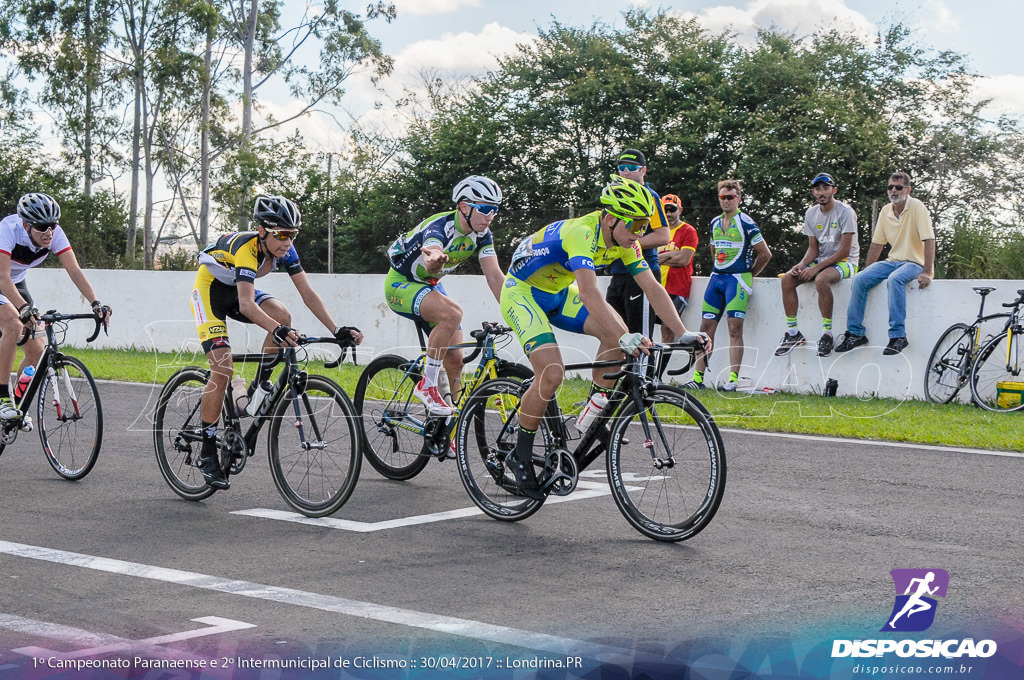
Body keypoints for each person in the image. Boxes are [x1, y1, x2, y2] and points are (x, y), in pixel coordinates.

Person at [500, 175, 709, 499]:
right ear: (611, 219)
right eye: (636, 225)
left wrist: (682, 333)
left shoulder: (626, 242)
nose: (640, 233)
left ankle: (594, 405)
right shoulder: (582, 233)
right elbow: (587, 293)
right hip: (523, 292)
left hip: (555, 291)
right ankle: (520, 454)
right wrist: (623, 336)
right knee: (552, 373)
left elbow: (652, 286)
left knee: (620, 334)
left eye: (644, 225)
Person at [191, 195, 363, 489]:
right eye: (281, 234)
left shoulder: (285, 250)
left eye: (292, 235)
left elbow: (307, 293)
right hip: (210, 293)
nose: (287, 241)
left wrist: (336, 329)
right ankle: (207, 450)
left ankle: (258, 390)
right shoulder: (246, 250)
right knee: (222, 368)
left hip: (236, 290)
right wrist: (278, 330)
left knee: (283, 314)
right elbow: (246, 305)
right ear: (262, 231)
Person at [385, 175, 506, 417]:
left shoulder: (483, 234)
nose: (490, 216)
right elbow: (432, 255)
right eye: (484, 209)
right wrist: (434, 260)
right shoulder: (440, 226)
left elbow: (494, 276)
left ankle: (451, 425)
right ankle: (427, 385)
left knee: (455, 358)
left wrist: (517, 311)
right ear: (464, 207)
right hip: (401, 284)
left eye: (494, 209)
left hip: (429, 285)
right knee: (453, 313)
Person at [0, 193, 112, 420]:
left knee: (37, 349)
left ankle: (16, 406)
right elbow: (3, 278)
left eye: (52, 225)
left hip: (17, 282)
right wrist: (23, 308)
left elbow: (74, 270)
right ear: (26, 225)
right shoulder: (8, 230)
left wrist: (95, 303)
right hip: (3, 280)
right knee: (13, 324)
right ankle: (2, 397)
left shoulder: (55, 234)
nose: (49, 232)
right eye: (42, 227)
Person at [835, 172, 935, 355]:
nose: (894, 191)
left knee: (895, 280)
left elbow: (929, 239)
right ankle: (855, 333)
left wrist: (928, 272)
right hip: (893, 260)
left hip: (914, 262)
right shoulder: (886, 210)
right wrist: (868, 269)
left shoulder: (917, 207)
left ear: (908, 189)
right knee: (860, 279)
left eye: (898, 187)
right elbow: (877, 244)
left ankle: (898, 336)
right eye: (890, 187)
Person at [685, 180, 771, 392]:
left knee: (734, 329)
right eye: (722, 197)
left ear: (738, 199)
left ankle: (732, 379)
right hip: (717, 278)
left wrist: (749, 274)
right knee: (705, 331)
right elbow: (714, 251)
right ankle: (698, 378)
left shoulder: (746, 222)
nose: (726, 201)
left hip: (737, 280)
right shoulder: (715, 222)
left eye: (730, 197)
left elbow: (765, 253)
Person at [774, 172, 859, 358]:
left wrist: (815, 268)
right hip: (821, 261)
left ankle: (827, 334)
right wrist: (802, 264)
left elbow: (845, 251)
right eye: (818, 188)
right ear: (813, 192)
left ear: (834, 190)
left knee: (821, 280)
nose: (822, 192)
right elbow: (813, 249)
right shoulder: (810, 213)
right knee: (788, 279)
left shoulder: (846, 212)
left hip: (847, 262)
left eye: (826, 188)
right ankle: (793, 333)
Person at [604, 149, 669, 339]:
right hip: (617, 273)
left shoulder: (650, 196)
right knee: (614, 335)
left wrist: (631, 243)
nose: (625, 172)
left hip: (642, 272)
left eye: (631, 168)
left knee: (641, 338)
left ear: (643, 170)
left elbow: (663, 236)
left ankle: (641, 370)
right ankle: (617, 369)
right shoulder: (616, 195)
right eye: (621, 168)